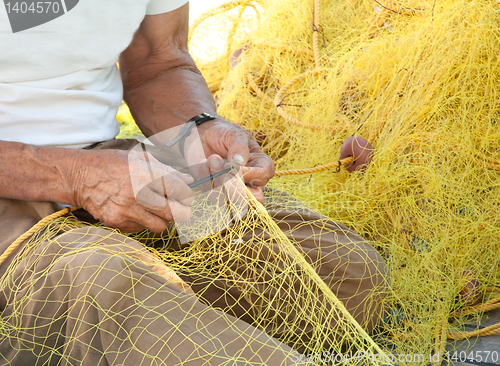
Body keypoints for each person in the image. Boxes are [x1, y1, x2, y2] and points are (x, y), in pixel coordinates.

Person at [0, 1, 389, 364]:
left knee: (349, 277)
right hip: (13, 185)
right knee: (111, 280)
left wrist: (198, 128)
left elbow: (158, 61)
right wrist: (78, 176)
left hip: (116, 160)